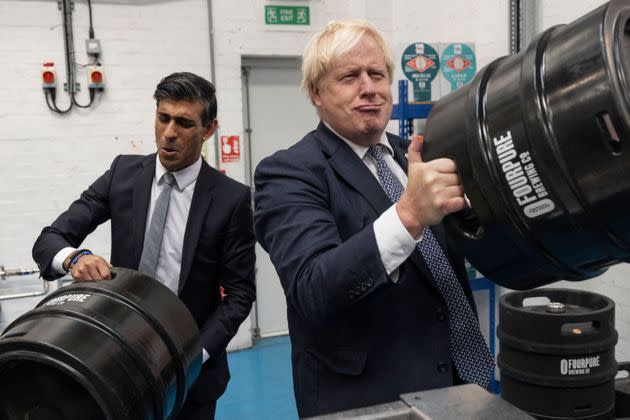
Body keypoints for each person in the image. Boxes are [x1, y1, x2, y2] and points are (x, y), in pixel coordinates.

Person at [254, 20, 495, 417]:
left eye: (377, 74)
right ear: (316, 93)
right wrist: (408, 216)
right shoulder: (288, 172)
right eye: (349, 76)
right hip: (371, 398)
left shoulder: (416, 155)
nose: (368, 88)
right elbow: (312, 288)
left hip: (459, 380)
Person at [32, 72, 256, 420]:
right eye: (163, 117)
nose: (169, 132)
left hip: (192, 376)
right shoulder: (122, 174)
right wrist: (74, 258)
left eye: (184, 122)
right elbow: (49, 240)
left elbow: (240, 295)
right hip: (114, 363)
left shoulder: (231, 199)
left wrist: (193, 354)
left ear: (209, 129)